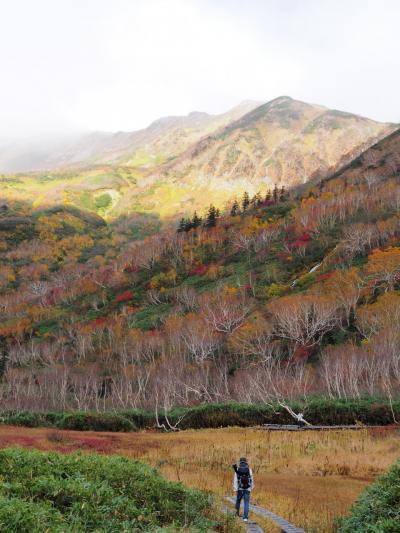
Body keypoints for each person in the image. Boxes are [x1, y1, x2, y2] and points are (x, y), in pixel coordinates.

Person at [232, 456, 253, 522]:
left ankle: (236, 514)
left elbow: (235, 480)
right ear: (245, 461)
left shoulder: (238, 469)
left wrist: (235, 489)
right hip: (247, 488)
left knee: (238, 501)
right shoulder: (249, 469)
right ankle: (245, 517)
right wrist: (251, 487)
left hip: (240, 488)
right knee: (246, 502)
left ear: (240, 462)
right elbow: (251, 479)